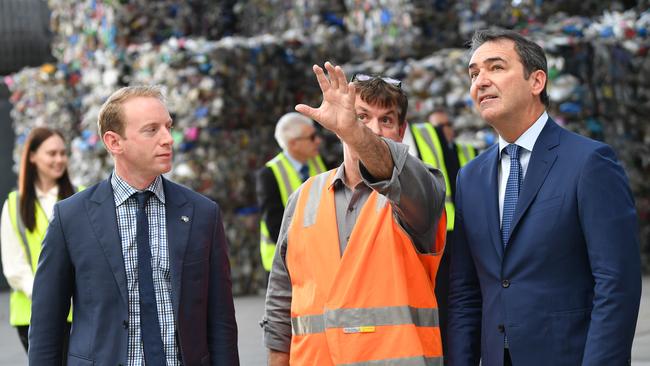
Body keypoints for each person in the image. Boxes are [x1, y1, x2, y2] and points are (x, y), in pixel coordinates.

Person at [447, 29, 641, 366]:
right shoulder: (470, 178)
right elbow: (466, 292)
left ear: (537, 81)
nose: (480, 81)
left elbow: (616, 283)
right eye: (474, 73)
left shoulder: (589, 162)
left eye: (495, 68)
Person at [28, 85, 239, 365]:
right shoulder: (71, 218)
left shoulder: (203, 213)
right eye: (152, 130)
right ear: (114, 142)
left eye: (168, 126)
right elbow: (46, 326)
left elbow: (221, 319)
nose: (168, 139)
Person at [263, 63, 447, 365]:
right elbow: (282, 298)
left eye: (386, 120)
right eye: (361, 117)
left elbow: (391, 167)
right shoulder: (304, 197)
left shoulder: (418, 189)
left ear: (401, 132)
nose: (372, 129)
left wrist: (355, 131)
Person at [1, 127, 76, 361]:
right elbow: (14, 267)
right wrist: (50, 298)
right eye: (51, 153)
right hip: (31, 314)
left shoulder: (81, 198)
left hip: (79, 315)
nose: (59, 159)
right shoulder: (14, 205)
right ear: (32, 156)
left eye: (63, 153)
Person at [410, 107, 477, 357]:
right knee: (447, 299)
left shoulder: (467, 151)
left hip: (462, 232)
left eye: (448, 124)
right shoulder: (428, 141)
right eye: (439, 126)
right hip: (439, 235)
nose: (444, 130)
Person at [256, 112, 327, 275]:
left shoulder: (319, 162)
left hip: (320, 259)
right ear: (294, 144)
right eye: (312, 137)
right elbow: (274, 225)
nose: (318, 141)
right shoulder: (269, 174)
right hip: (284, 264)